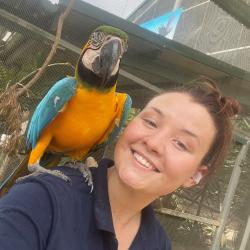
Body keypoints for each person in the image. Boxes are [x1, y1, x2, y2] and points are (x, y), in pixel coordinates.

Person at [0, 77, 240, 250]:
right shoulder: (41, 198)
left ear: (195, 176)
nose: (154, 143)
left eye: (181, 144)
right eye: (151, 122)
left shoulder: (159, 243)